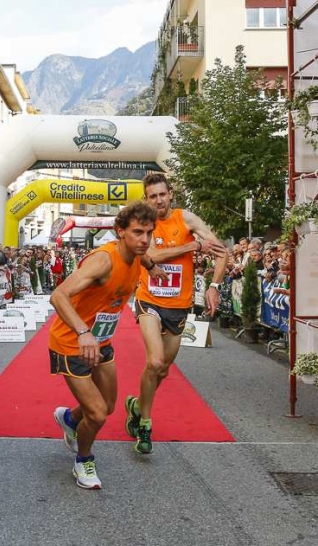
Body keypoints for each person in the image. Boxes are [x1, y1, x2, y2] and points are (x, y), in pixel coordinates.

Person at [49, 201, 156, 489]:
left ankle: (70, 419)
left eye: (149, 232)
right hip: (71, 342)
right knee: (96, 413)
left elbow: (147, 259)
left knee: (108, 405)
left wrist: (155, 266)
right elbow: (58, 295)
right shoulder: (103, 260)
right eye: (137, 232)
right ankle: (83, 460)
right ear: (120, 231)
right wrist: (83, 332)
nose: (144, 239)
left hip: (101, 340)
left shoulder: (138, 254)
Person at [125, 172, 228, 455]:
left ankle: (136, 405)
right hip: (150, 301)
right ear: (146, 199)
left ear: (170, 194)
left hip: (179, 306)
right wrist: (194, 245)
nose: (158, 200)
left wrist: (215, 285)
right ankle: (145, 423)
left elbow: (222, 251)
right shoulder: (145, 222)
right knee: (155, 360)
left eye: (162, 194)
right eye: (152, 196)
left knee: (162, 370)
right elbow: (152, 256)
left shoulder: (187, 219)